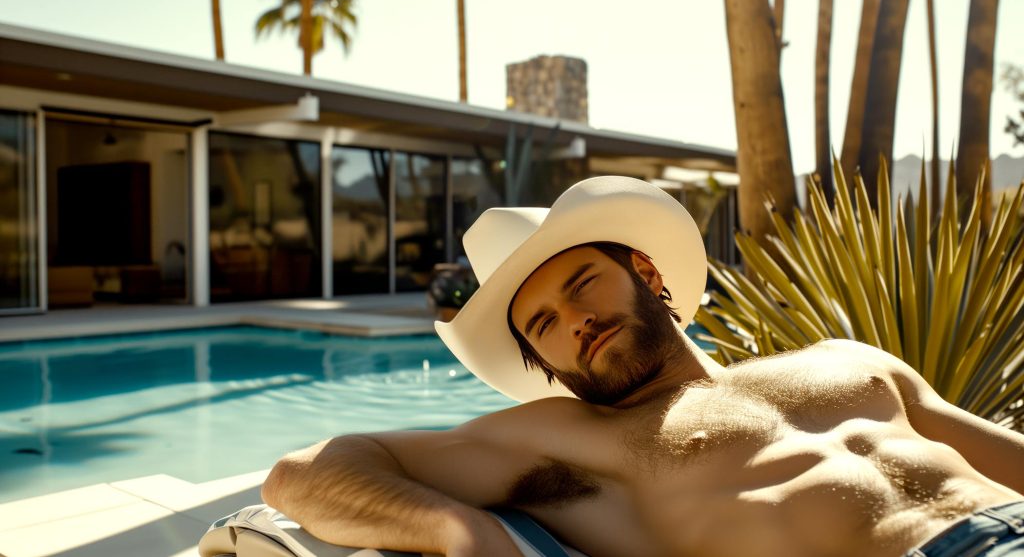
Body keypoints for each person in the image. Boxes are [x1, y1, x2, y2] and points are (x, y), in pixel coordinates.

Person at [262, 176, 1024, 557]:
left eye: (582, 283)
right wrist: (459, 528)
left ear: (649, 275)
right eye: (543, 326)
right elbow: (301, 474)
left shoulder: (849, 361)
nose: (575, 322)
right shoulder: (570, 438)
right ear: (548, 367)